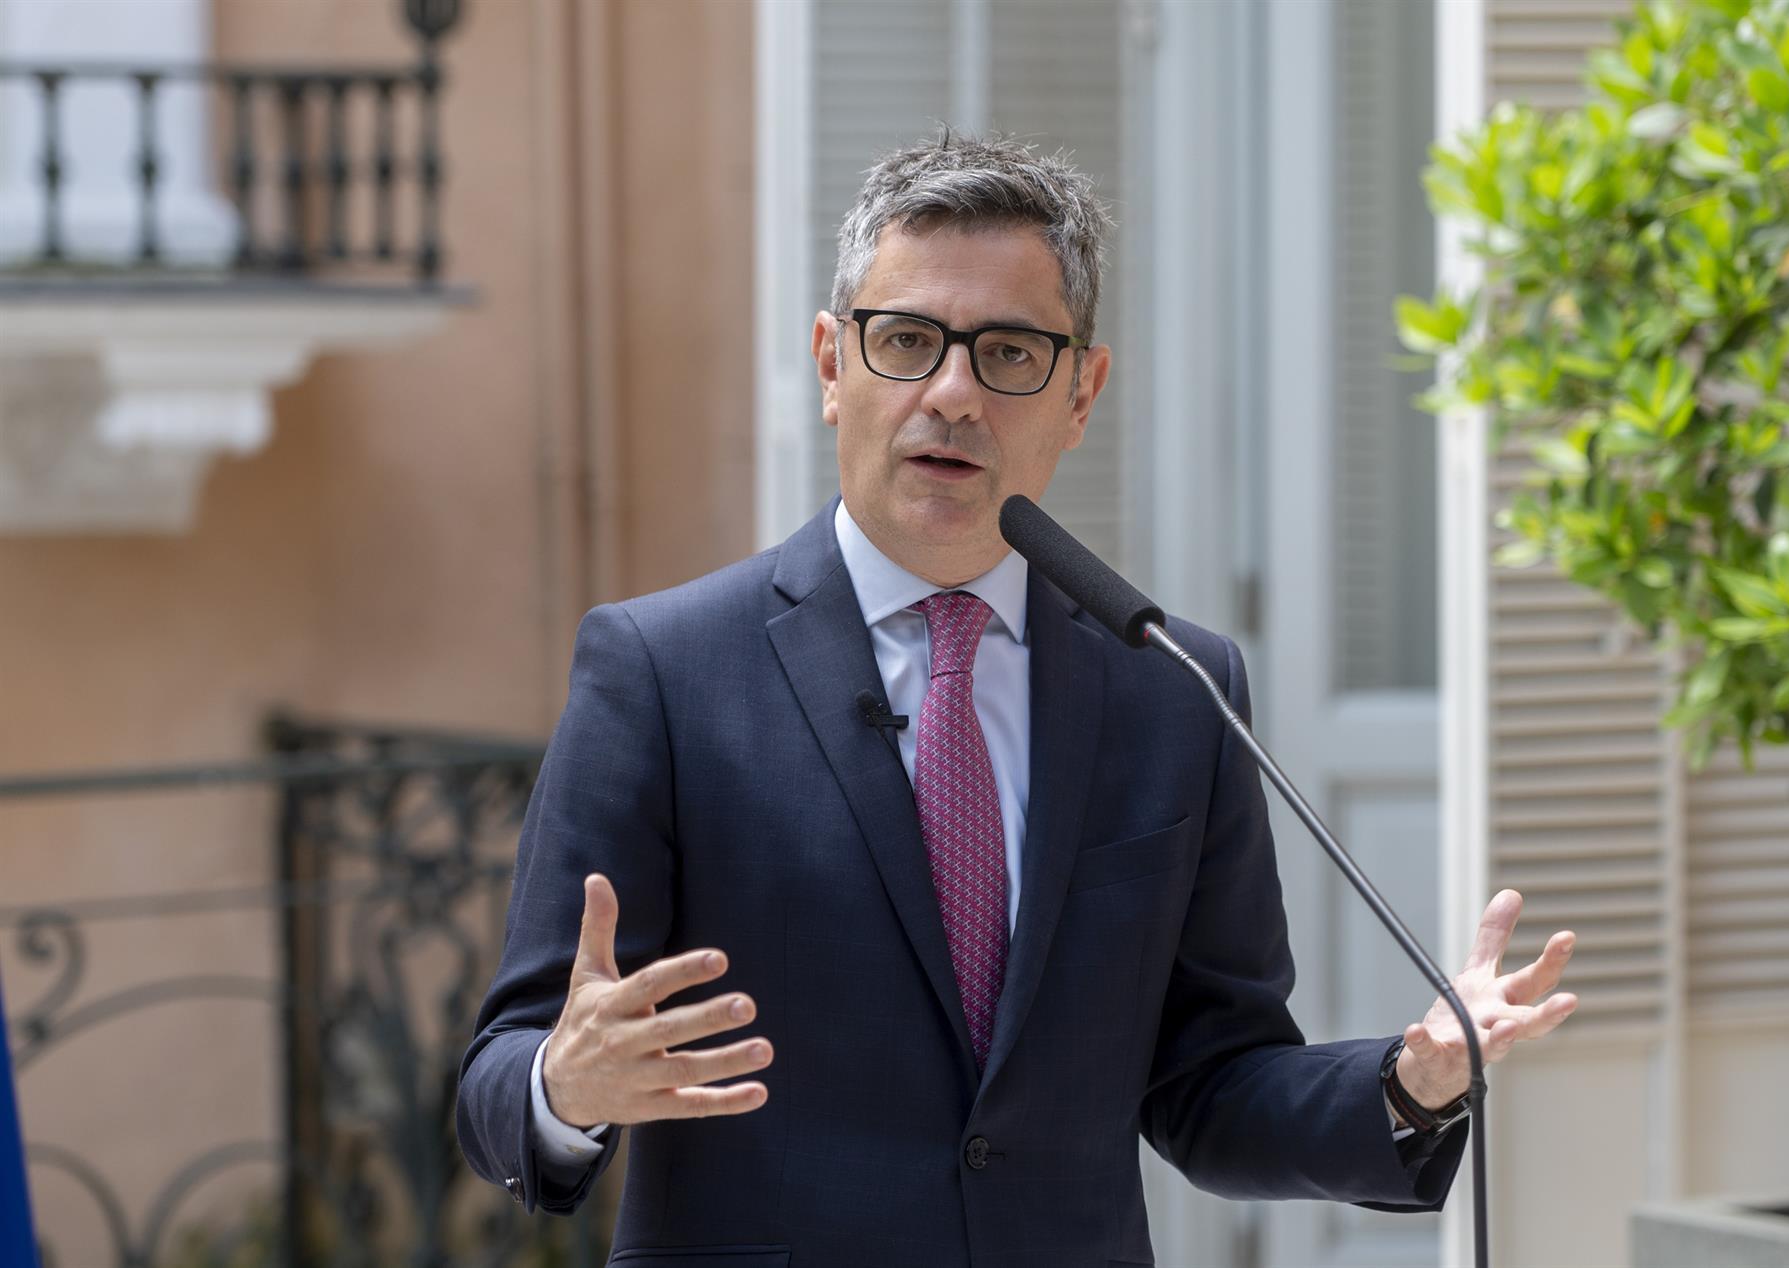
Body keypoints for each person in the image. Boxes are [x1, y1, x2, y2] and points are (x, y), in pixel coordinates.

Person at [455, 133, 1580, 1268]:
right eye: (907, 341)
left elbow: (1211, 1083)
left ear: (1081, 392)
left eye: (1008, 353)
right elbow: (499, 1076)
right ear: (833, 365)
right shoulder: (662, 669)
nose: (953, 394)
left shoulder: (1174, 687)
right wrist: (564, 1083)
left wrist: (1412, 1080)